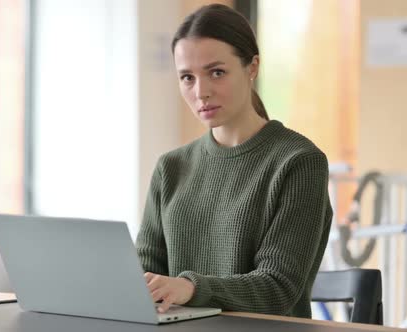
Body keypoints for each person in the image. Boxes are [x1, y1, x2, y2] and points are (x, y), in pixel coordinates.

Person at [135, 4, 333, 318]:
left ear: (252, 67)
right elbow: (142, 275)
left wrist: (191, 288)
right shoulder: (170, 167)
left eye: (217, 72)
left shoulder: (299, 162)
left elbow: (278, 287)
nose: (201, 92)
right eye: (187, 77)